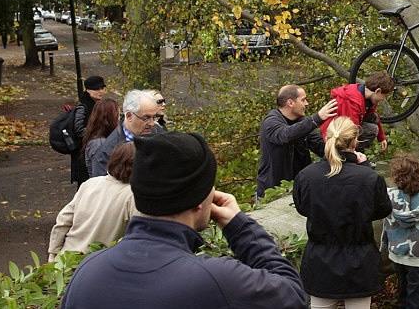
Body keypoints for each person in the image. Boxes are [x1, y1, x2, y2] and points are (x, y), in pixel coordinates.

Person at [61, 132, 306, 309]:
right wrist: (240, 227)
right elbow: (292, 294)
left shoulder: (87, 273)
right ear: (201, 200)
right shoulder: (216, 279)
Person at [293, 117, 392, 309]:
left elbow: (303, 208)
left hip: (320, 262)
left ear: (327, 137)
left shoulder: (306, 176)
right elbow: (383, 209)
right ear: (355, 141)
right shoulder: (368, 177)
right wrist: (363, 167)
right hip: (359, 262)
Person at [48, 143, 137, 261]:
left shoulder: (90, 184)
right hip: (96, 265)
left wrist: (53, 253)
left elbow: (63, 220)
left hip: (66, 259)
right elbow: (139, 236)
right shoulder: (132, 196)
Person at [381, 154, 419, 309]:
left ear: (396, 175)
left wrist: (385, 246)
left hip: (396, 254)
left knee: (403, 294)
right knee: (417, 298)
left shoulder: (388, 196)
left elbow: (385, 224)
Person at [255, 85, 337, 200]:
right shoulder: (271, 121)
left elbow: (321, 147)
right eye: (303, 100)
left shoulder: (302, 122)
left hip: (298, 188)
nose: (307, 103)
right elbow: (285, 135)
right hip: (272, 193)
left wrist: (342, 146)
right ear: (290, 102)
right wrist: (316, 118)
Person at [89, 89, 166, 177]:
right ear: (129, 116)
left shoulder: (160, 135)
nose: (152, 123)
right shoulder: (106, 152)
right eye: (146, 118)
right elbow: (102, 188)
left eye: (154, 117)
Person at [318, 71, 394, 152]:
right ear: (377, 91)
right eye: (384, 96)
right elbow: (351, 130)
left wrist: (381, 137)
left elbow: (373, 115)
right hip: (331, 136)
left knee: (372, 128)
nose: (383, 99)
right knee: (365, 131)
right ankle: (347, 156)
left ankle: (353, 154)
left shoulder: (369, 98)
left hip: (346, 130)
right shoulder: (352, 101)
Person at [71, 75, 107, 184]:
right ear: (87, 90)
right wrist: (98, 132)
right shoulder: (83, 107)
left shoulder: (99, 105)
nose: (100, 91)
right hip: (83, 153)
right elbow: (79, 130)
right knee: (85, 186)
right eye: (96, 89)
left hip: (95, 150)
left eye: (102, 88)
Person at [82, 99, 120, 177]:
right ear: (110, 118)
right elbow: (99, 175)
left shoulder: (105, 140)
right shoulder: (98, 144)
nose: (119, 119)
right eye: (118, 115)